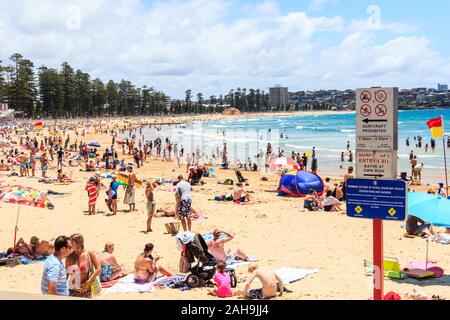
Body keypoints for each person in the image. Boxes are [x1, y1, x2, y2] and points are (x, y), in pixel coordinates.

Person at [65, 233, 101, 298]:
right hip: (72, 290)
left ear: (78, 243)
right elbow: (65, 274)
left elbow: (98, 269)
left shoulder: (89, 254)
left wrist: (88, 282)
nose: (69, 245)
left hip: (86, 291)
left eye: (72, 242)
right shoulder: (69, 257)